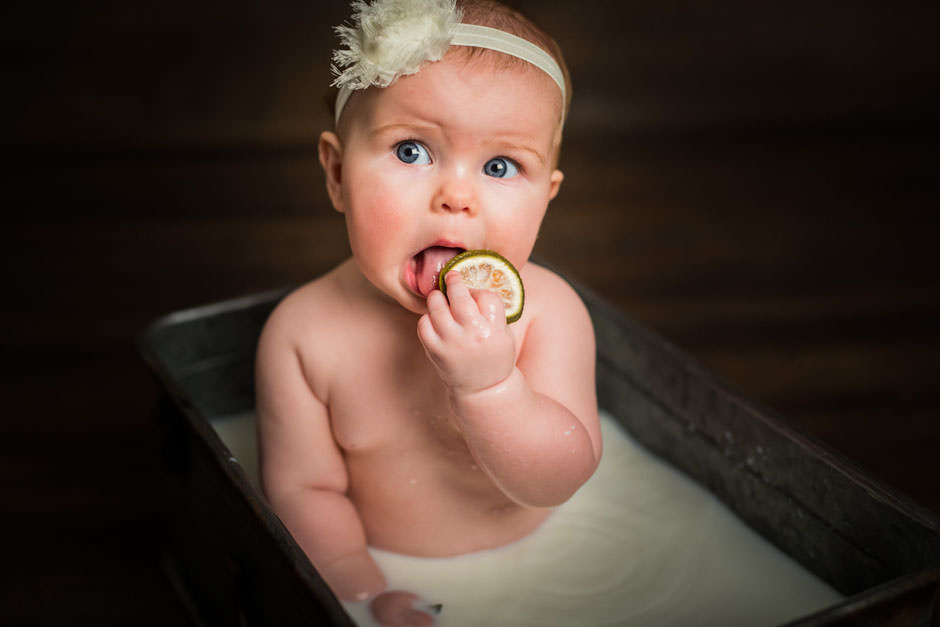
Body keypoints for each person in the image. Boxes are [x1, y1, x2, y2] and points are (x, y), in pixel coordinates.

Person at [255, 0, 600, 624]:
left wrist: (494, 387)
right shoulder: (302, 334)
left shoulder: (549, 314)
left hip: (547, 572)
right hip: (389, 577)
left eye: (501, 166)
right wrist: (358, 587)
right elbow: (304, 490)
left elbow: (559, 479)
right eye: (412, 151)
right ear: (336, 174)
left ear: (546, 197)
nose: (457, 198)